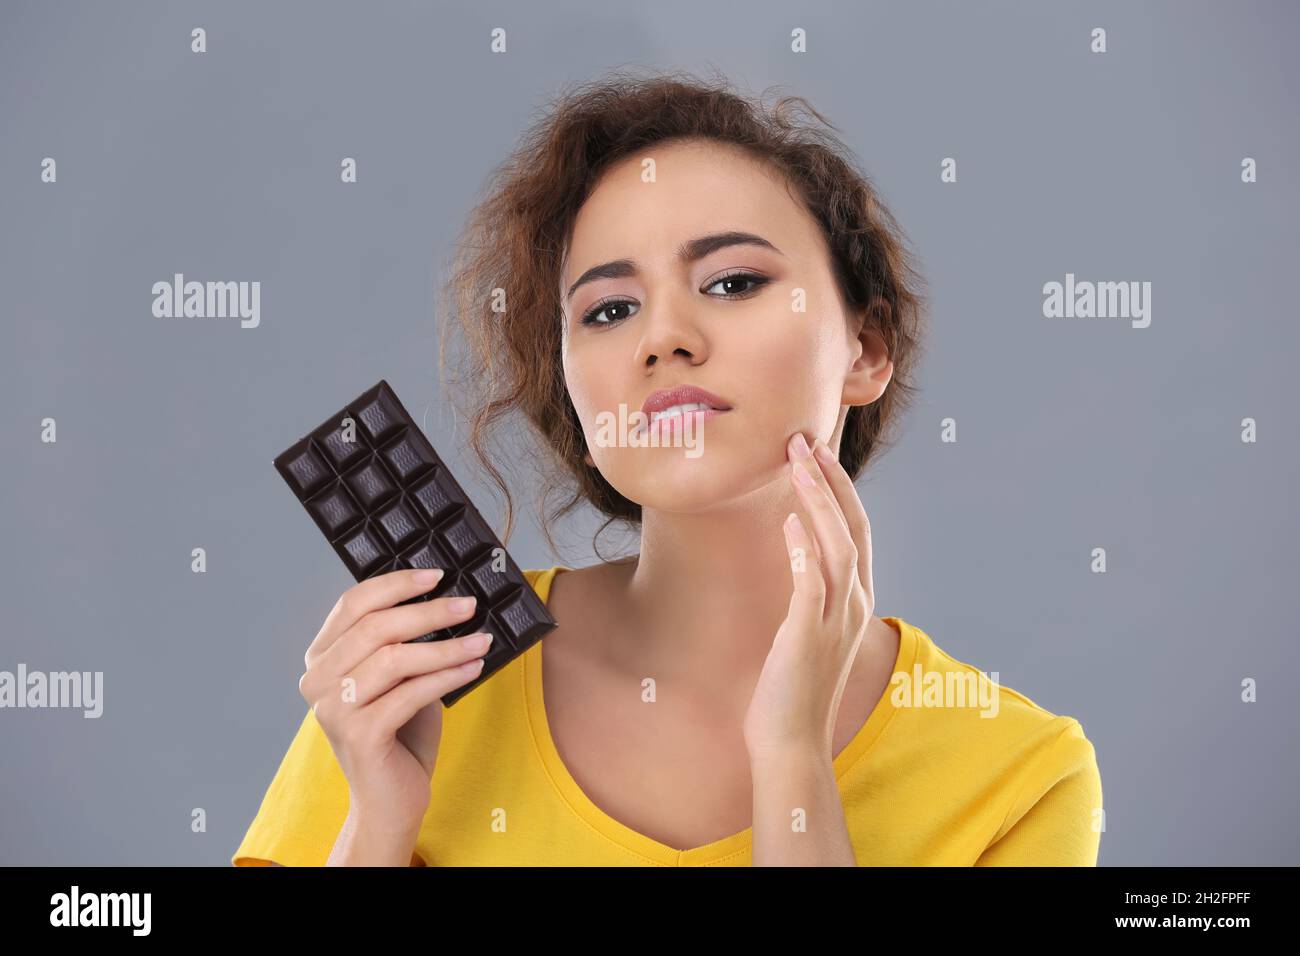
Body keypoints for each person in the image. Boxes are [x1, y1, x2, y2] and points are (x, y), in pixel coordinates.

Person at [233, 69, 1102, 867]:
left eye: (730, 283)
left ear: (866, 347)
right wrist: (375, 825)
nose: (664, 338)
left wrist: (795, 761)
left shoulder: (1018, 778)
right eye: (609, 308)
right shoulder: (417, 681)